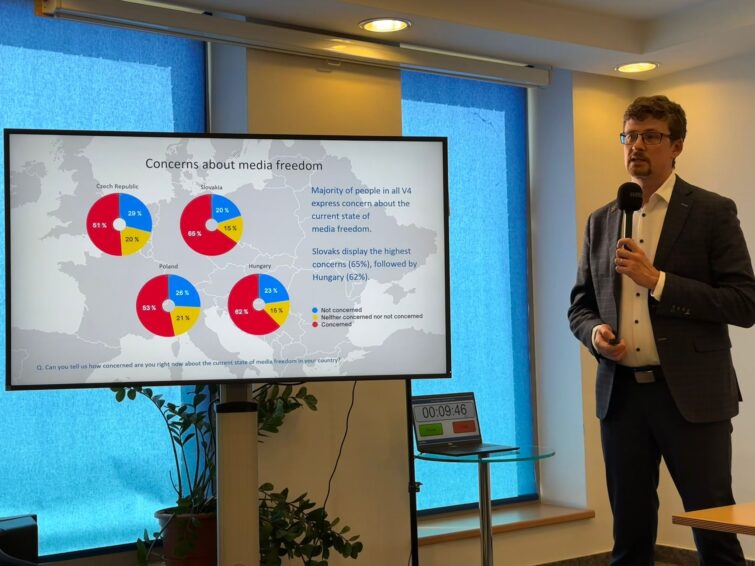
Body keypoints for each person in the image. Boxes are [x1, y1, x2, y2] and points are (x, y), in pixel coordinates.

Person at [568, 95, 755, 565]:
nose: (637, 146)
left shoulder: (711, 211)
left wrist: (658, 282)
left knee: (714, 531)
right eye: (630, 135)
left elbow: (744, 302)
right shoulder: (601, 221)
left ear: (677, 146)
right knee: (629, 536)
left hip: (692, 396)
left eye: (651, 136)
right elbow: (581, 306)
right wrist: (596, 335)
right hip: (622, 396)